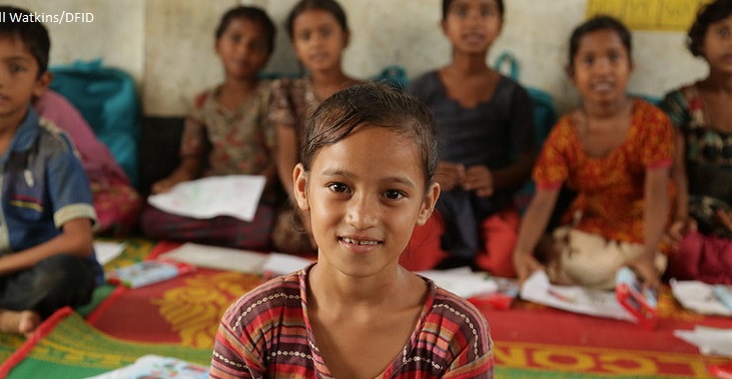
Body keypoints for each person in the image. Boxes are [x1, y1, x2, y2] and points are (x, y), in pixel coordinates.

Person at [211, 83, 494, 378]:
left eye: (392, 194)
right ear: (303, 188)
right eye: (340, 187)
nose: (361, 217)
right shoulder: (253, 323)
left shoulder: (456, 334)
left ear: (426, 204)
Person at [0, 6, 102, 335]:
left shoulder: (54, 148)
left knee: (68, 275)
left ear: (41, 82)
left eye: (16, 67)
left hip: (39, 271)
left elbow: (79, 240)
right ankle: (0, 318)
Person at [512, 15, 674, 290]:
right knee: (583, 265)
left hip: (640, 230)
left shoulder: (651, 122)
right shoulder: (565, 133)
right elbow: (543, 200)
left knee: (637, 269)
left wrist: (648, 254)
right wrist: (521, 252)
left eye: (613, 58)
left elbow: (658, 192)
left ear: (630, 65)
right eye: (589, 60)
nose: (602, 70)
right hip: (589, 227)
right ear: (571, 72)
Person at [408, 0, 535, 276]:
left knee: (506, 260)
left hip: (490, 203)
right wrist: (429, 173)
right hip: (433, 201)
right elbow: (398, 150)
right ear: (445, 26)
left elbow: (528, 162)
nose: (474, 22)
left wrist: (494, 178)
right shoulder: (424, 88)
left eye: (486, 12)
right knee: (411, 253)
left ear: (499, 25)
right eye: (462, 12)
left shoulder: (513, 95)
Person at [140, 6, 278, 251]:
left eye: (255, 45)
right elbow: (191, 163)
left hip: (252, 200)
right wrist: (170, 184)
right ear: (217, 45)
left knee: (262, 227)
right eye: (235, 39)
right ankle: (222, 233)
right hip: (208, 197)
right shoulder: (203, 102)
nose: (243, 50)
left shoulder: (271, 97)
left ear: (267, 56)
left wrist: (251, 192)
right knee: (151, 217)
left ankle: (215, 233)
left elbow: (278, 160)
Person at [270, 0, 362, 255]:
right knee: (286, 233)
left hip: (355, 195)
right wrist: (305, 207)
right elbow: (286, 157)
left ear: (345, 37)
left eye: (325, 32)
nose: (317, 43)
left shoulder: (369, 94)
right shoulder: (287, 92)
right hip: (307, 197)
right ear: (295, 47)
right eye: (306, 36)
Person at [660, 0, 732, 284]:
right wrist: (681, 216)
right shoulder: (680, 103)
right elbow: (675, 172)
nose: (731, 43)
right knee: (682, 250)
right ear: (701, 42)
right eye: (723, 33)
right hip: (694, 212)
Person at [34, 89, 142, 236]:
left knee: (125, 203)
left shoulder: (49, 110)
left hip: (83, 185)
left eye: (16, 69)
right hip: (29, 197)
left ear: (41, 82)